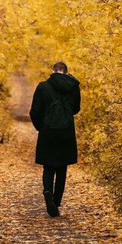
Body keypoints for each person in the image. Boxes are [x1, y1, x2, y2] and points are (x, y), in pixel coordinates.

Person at [29, 61, 81, 217]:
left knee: (48, 166)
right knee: (62, 167)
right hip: (66, 132)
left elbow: (34, 112)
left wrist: (42, 127)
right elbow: (76, 109)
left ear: (52, 71)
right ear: (66, 72)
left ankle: (47, 191)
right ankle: (56, 202)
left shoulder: (42, 87)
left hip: (48, 132)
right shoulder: (73, 87)